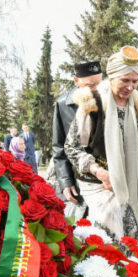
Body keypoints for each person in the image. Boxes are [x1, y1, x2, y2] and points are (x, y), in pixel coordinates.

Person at [64, 46, 138, 242]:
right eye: (125, 80)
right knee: (107, 242)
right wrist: (98, 171)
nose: (130, 87)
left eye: (135, 81)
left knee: (131, 243)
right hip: (99, 186)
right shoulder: (92, 102)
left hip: (130, 184)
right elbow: (71, 147)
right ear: (111, 77)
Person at [53, 61, 102, 209]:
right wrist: (65, 181)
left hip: (105, 178)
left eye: (98, 83)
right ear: (76, 81)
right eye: (89, 85)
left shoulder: (108, 99)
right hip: (77, 179)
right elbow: (59, 146)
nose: (95, 89)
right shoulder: (63, 104)